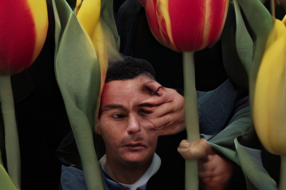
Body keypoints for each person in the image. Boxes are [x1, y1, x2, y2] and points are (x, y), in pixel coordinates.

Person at [61, 57, 234, 190]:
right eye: (119, 115)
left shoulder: (197, 170)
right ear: (96, 124)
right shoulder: (75, 181)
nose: (134, 127)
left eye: (145, 112)